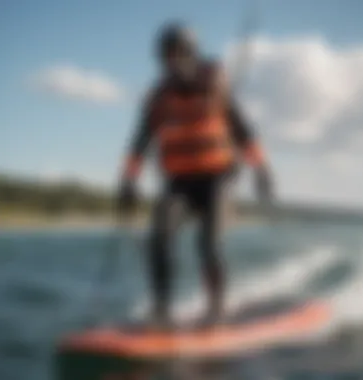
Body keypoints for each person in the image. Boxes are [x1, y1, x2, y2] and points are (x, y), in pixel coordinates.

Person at [117, 22, 274, 329]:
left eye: (179, 55)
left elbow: (243, 131)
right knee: (159, 237)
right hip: (181, 184)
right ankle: (162, 310)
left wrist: (261, 170)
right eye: (166, 57)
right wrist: (128, 181)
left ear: (192, 55)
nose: (172, 63)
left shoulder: (216, 86)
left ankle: (216, 310)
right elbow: (139, 141)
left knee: (208, 244)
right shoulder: (159, 98)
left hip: (219, 178)